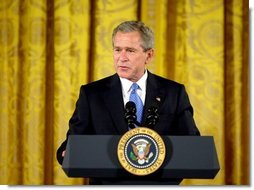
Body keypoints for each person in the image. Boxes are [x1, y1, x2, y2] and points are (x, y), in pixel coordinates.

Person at [56, 20, 200, 185]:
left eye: (130, 51)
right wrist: (66, 153)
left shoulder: (174, 93)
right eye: (117, 50)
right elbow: (73, 142)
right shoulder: (92, 94)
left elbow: (192, 146)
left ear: (149, 55)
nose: (121, 58)